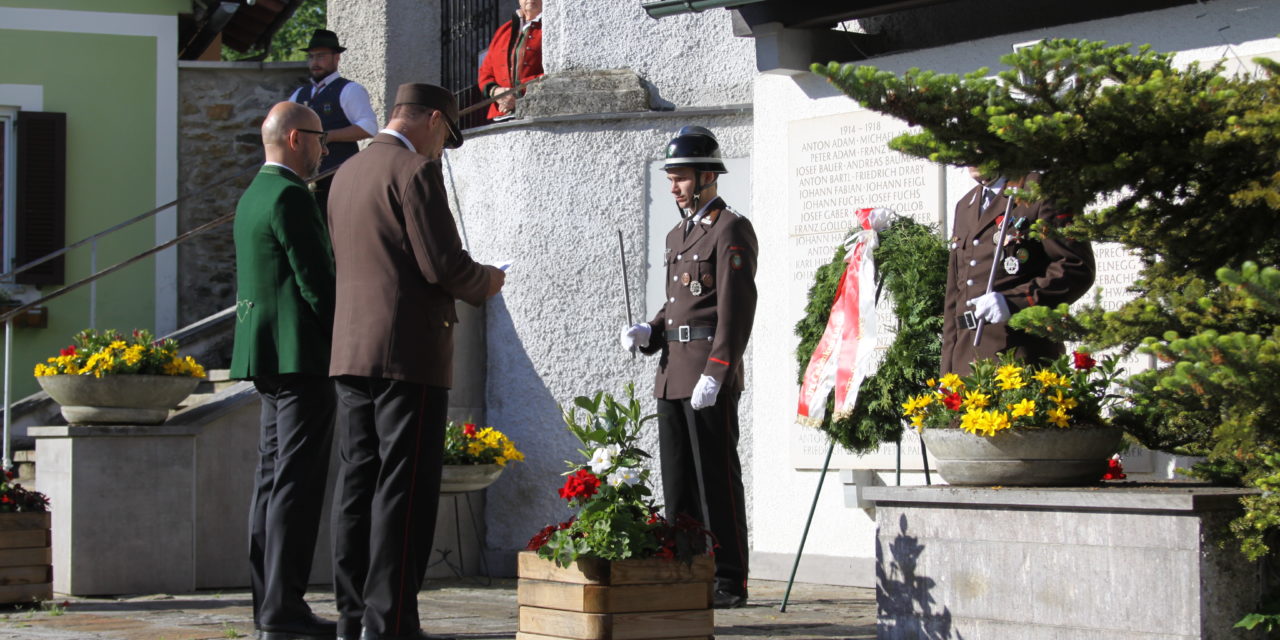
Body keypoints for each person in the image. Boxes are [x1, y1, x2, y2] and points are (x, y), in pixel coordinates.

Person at [327, 83, 505, 640]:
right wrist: (489, 281)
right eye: (444, 137)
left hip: (351, 352)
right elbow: (442, 266)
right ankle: (392, 622)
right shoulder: (413, 172)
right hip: (409, 354)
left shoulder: (345, 175)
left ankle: (352, 617)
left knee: (358, 485)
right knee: (404, 491)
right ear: (431, 119)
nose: (439, 151)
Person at [620, 126, 758, 610]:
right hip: (673, 372)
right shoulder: (678, 234)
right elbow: (679, 303)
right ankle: (685, 569)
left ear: (706, 177)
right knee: (678, 482)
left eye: (680, 178)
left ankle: (728, 579)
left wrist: (717, 372)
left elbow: (735, 311)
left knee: (715, 481)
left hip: (706, 376)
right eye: (671, 178)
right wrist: (650, 330)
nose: (673, 186)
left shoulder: (730, 228)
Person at [230, 101, 337, 640]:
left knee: (271, 483)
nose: (325, 147)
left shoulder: (254, 193)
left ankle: (268, 606)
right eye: (320, 137)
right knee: (295, 485)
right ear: (296, 138)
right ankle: (284, 612)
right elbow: (317, 280)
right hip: (302, 358)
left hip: (267, 356)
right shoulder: (292, 196)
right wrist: (347, 342)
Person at [941, 168, 1096, 375]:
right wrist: (948, 371)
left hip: (1021, 361)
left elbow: (1075, 267)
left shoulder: (1041, 190)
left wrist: (1015, 301)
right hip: (966, 365)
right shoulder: (966, 205)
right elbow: (955, 294)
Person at [288, 28, 378, 217]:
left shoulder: (350, 90)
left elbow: (369, 127)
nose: (314, 62)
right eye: (311, 57)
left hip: (339, 176)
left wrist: (329, 136)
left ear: (336, 58)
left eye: (321, 56)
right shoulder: (299, 95)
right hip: (306, 177)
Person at [476, 0, 543, 121]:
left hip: (538, 111)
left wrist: (518, 92)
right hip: (501, 114)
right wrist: (497, 93)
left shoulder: (552, 27)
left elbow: (555, 72)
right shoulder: (503, 31)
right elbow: (485, 72)